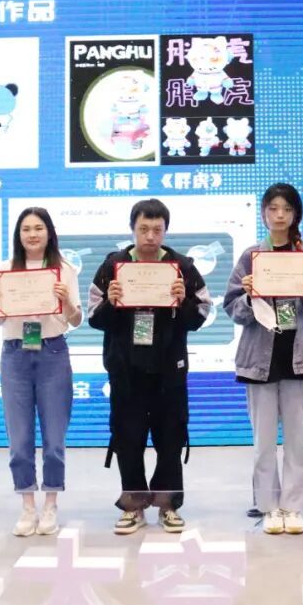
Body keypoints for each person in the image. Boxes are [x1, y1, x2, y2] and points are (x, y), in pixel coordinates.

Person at [87, 199, 211, 534]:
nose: (150, 236)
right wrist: (111, 302)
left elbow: (201, 314)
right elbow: (94, 316)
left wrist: (183, 300)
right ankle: (133, 505)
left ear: (165, 231)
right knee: (128, 438)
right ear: (133, 229)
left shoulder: (181, 266)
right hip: (126, 370)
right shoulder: (113, 266)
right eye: (144, 229)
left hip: (169, 370)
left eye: (157, 229)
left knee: (170, 437)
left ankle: (168, 505)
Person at [223, 184, 303, 535]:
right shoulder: (252, 256)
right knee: (264, 444)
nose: (280, 215)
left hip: (297, 358)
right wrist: (249, 295)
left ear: (296, 214)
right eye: (273, 208)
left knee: (297, 442)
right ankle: (268, 507)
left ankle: (293, 507)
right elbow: (233, 309)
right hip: (259, 359)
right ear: (264, 213)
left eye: (286, 209)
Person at [0, 207, 82, 537]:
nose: (32, 234)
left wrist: (65, 301)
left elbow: (76, 319)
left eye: (38, 228)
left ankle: (51, 504)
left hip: (52, 353)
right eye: (26, 229)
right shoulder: (5, 270)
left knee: (54, 438)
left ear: (49, 232)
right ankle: (27, 505)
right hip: (15, 355)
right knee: (19, 439)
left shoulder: (64, 269)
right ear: (18, 234)